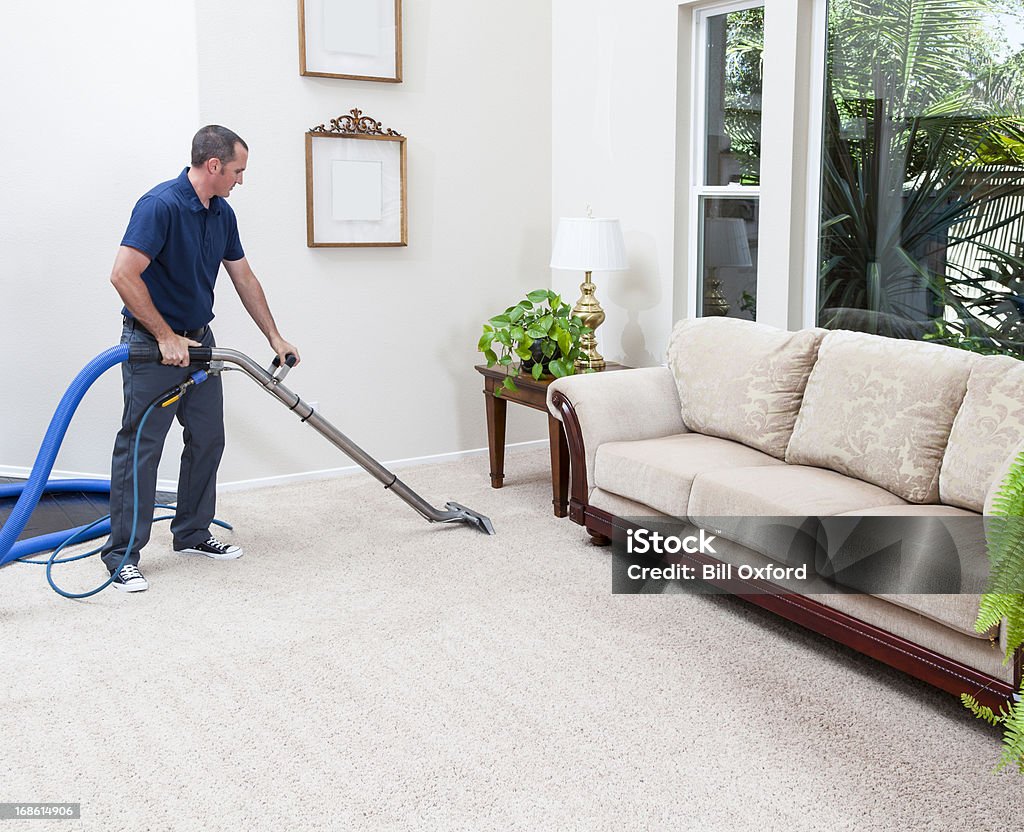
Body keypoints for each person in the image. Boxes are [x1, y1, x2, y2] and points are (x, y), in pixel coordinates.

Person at [101, 125, 299, 592]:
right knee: (142, 449)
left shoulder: (222, 213)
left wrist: (274, 336)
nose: (240, 180)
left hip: (200, 344)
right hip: (154, 348)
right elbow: (123, 275)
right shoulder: (160, 206)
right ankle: (122, 555)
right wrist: (165, 336)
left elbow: (244, 277)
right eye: (237, 171)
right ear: (214, 166)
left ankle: (191, 532)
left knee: (208, 437)